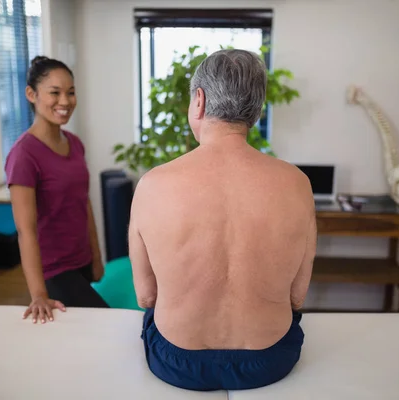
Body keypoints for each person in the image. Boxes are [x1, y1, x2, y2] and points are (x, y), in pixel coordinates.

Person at [129, 49, 317, 391]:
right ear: (256, 110)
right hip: (270, 360)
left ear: (198, 101)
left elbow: (146, 297)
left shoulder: (152, 184)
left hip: (177, 362)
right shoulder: (298, 184)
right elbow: (297, 297)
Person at [6, 56, 109, 324]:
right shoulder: (23, 154)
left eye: (71, 92)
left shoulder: (74, 143)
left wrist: (96, 257)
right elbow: (25, 230)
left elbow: (83, 202)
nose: (65, 101)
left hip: (81, 260)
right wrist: (38, 294)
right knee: (106, 325)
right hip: (52, 270)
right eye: (55, 92)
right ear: (31, 94)